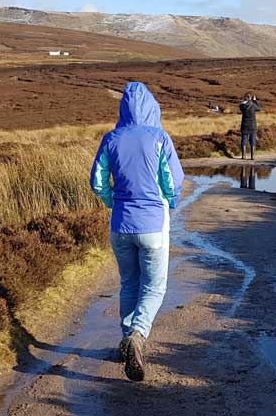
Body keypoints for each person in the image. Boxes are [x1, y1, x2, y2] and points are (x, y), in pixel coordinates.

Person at [90, 81, 184, 382]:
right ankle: (137, 335)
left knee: (129, 282)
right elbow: (173, 180)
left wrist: (111, 202)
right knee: (155, 286)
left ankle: (126, 340)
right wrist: (170, 203)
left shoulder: (110, 138)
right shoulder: (159, 137)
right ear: (152, 107)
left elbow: (97, 181)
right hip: (153, 223)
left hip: (119, 223)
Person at [239, 92, 262, 160]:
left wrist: (244, 100)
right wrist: (254, 100)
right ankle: (252, 156)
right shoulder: (253, 105)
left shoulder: (242, 105)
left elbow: (241, 105)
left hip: (244, 124)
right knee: (252, 140)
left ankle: (244, 156)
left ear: (245, 98)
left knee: (244, 139)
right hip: (252, 125)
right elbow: (258, 108)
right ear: (250, 98)